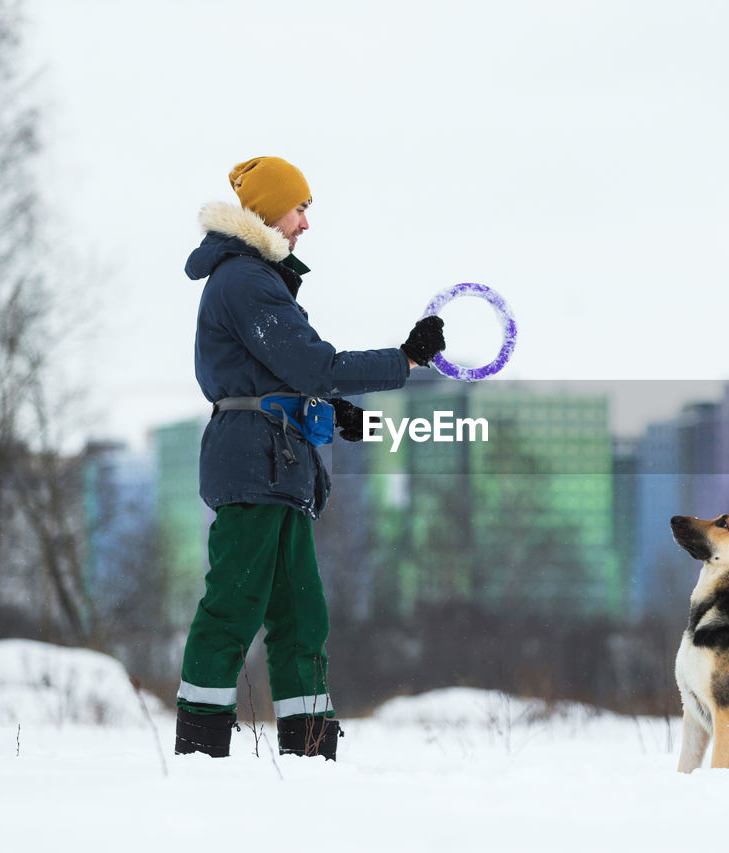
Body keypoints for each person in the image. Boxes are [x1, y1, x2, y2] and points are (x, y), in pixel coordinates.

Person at [174, 156, 445, 759]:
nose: (305, 223)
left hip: (280, 467)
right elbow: (314, 365)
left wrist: (332, 412)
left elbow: (283, 375)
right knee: (232, 607)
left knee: (301, 616)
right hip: (253, 465)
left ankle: (311, 748)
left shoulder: (256, 279)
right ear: (268, 210)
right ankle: (199, 746)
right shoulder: (244, 280)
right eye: (300, 208)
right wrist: (404, 359)